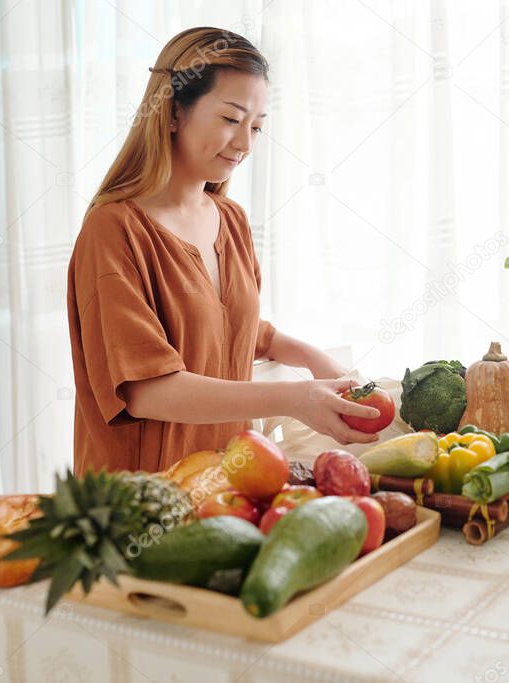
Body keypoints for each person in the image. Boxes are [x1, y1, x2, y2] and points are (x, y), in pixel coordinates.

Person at [67, 27, 378, 475]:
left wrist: (314, 359)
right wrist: (294, 399)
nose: (245, 143)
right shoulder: (113, 230)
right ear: (173, 112)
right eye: (231, 120)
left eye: (256, 127)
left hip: (229, 485)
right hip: (141, 503)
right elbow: (145, 390)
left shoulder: (230, 220)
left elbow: (228, 332)